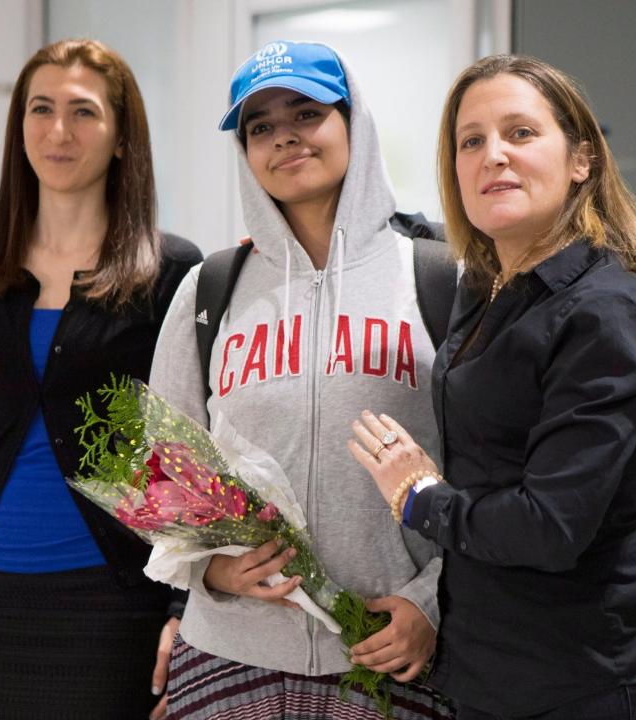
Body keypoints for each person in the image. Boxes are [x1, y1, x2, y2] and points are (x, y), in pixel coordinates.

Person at [350, 54, 636, 719]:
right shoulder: (487, 288)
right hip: (496, 677)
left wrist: (418, 497)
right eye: (472, 141)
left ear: (581, 160)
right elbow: (420, 232)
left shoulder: (605, 311)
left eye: (520, 133)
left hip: (609, 684)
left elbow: (549, 527)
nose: (494, 155)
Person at [0, 39, 201, 720]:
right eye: (41, 108)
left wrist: (183, 609)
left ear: (123, 138)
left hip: (111, 597)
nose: (58, 131)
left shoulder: (171, 271)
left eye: (84, 112)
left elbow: (180, 454)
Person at [149, 41, 453, 719]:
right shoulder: (210, 290)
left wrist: (431, 603)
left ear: (354, 123)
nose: (284, 136)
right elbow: (163, 469)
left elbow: (492, 469)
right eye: (260, 127)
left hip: (386, 654)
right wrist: (210, 569)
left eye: (307, 112)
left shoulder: (437, 277)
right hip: (228, 655)